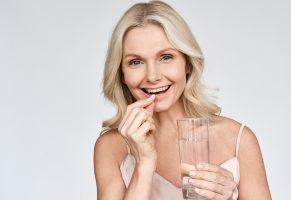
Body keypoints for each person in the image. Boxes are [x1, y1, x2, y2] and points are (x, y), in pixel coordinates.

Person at [94, 1, 272, 199]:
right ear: (121, 74)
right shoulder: (111, 147)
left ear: (187, 64)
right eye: (136, 62)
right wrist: (144, 164)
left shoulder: (238, 140)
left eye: (166, 57)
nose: (152, 76)